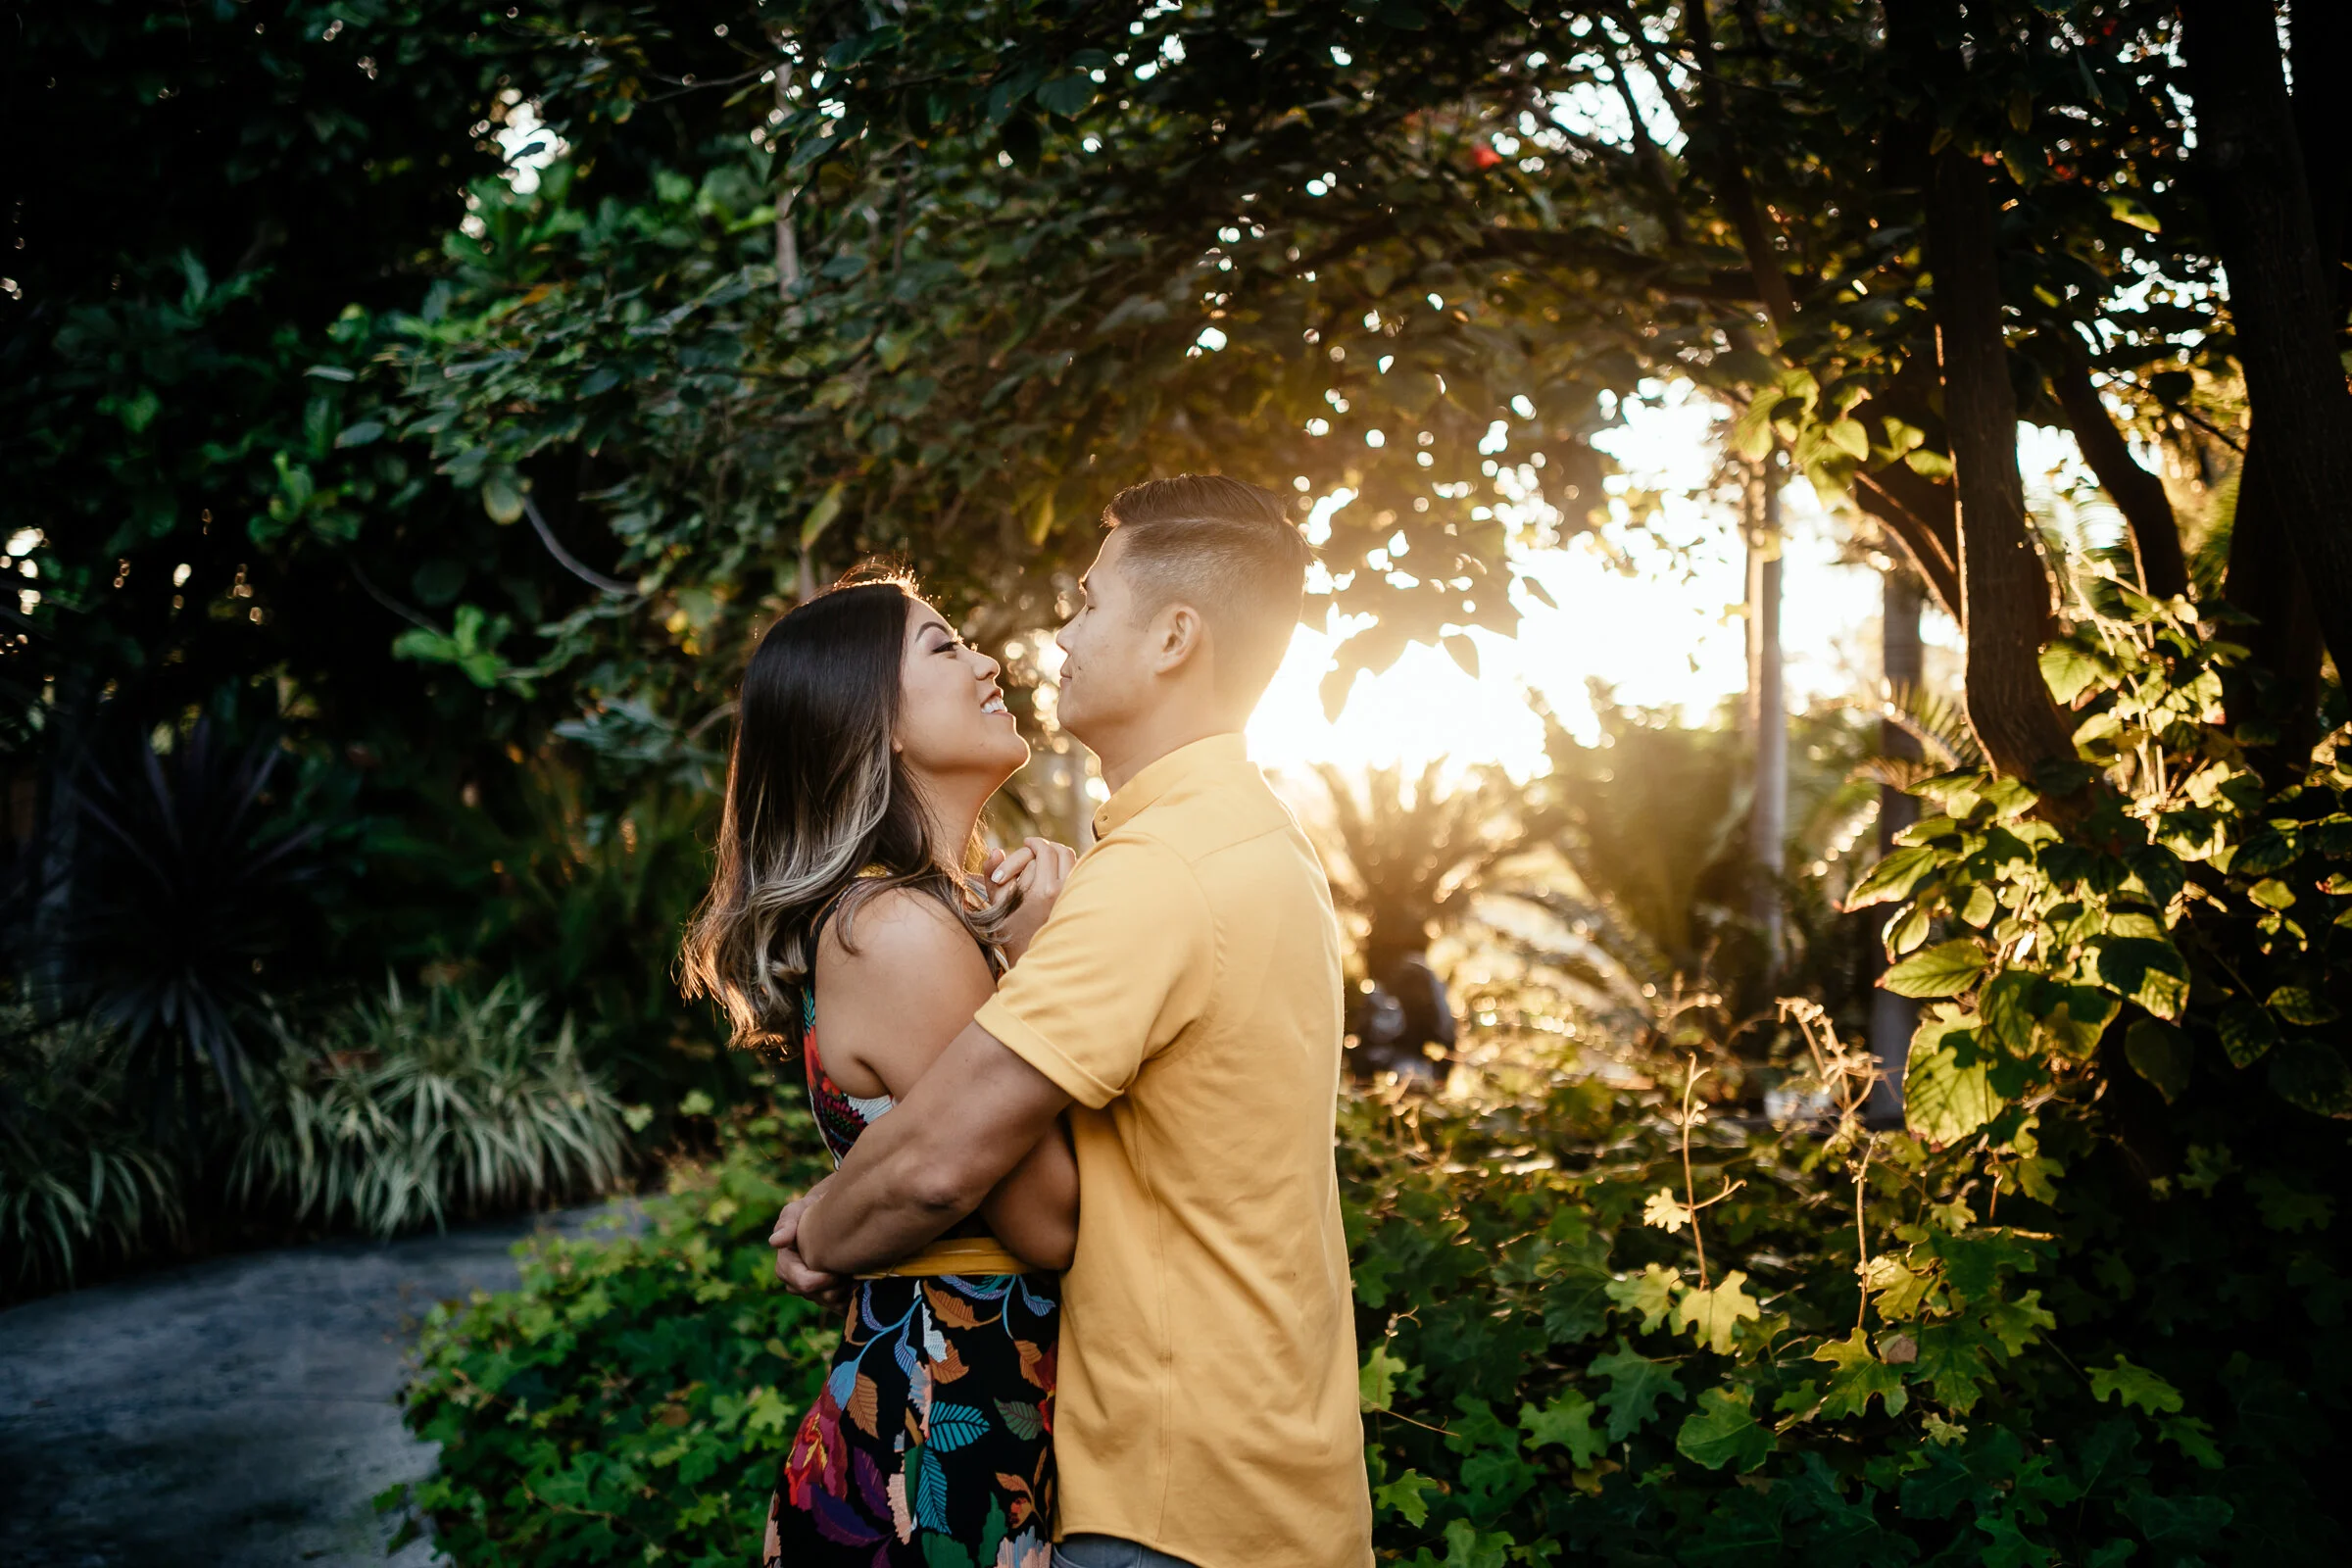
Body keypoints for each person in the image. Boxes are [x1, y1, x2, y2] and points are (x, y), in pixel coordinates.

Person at [770, 475, 1375, 1568]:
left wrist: (816, 1229)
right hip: (1235, 1469)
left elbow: (941, 1161)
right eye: (944, 650)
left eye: (1087, 603)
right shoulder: (1237, 841)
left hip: (1176, 1490)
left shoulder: (1153, 876)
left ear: (1173, 637)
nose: (1046, 637)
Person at [679, 565, 1082, 1567]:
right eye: (944, 646)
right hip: (951, 1439)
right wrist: (1050, 961)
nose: (988, 660)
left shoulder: (912, 914)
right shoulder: (897, 928)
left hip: (947, 1414)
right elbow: (1049, 1219)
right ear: (877, 724)